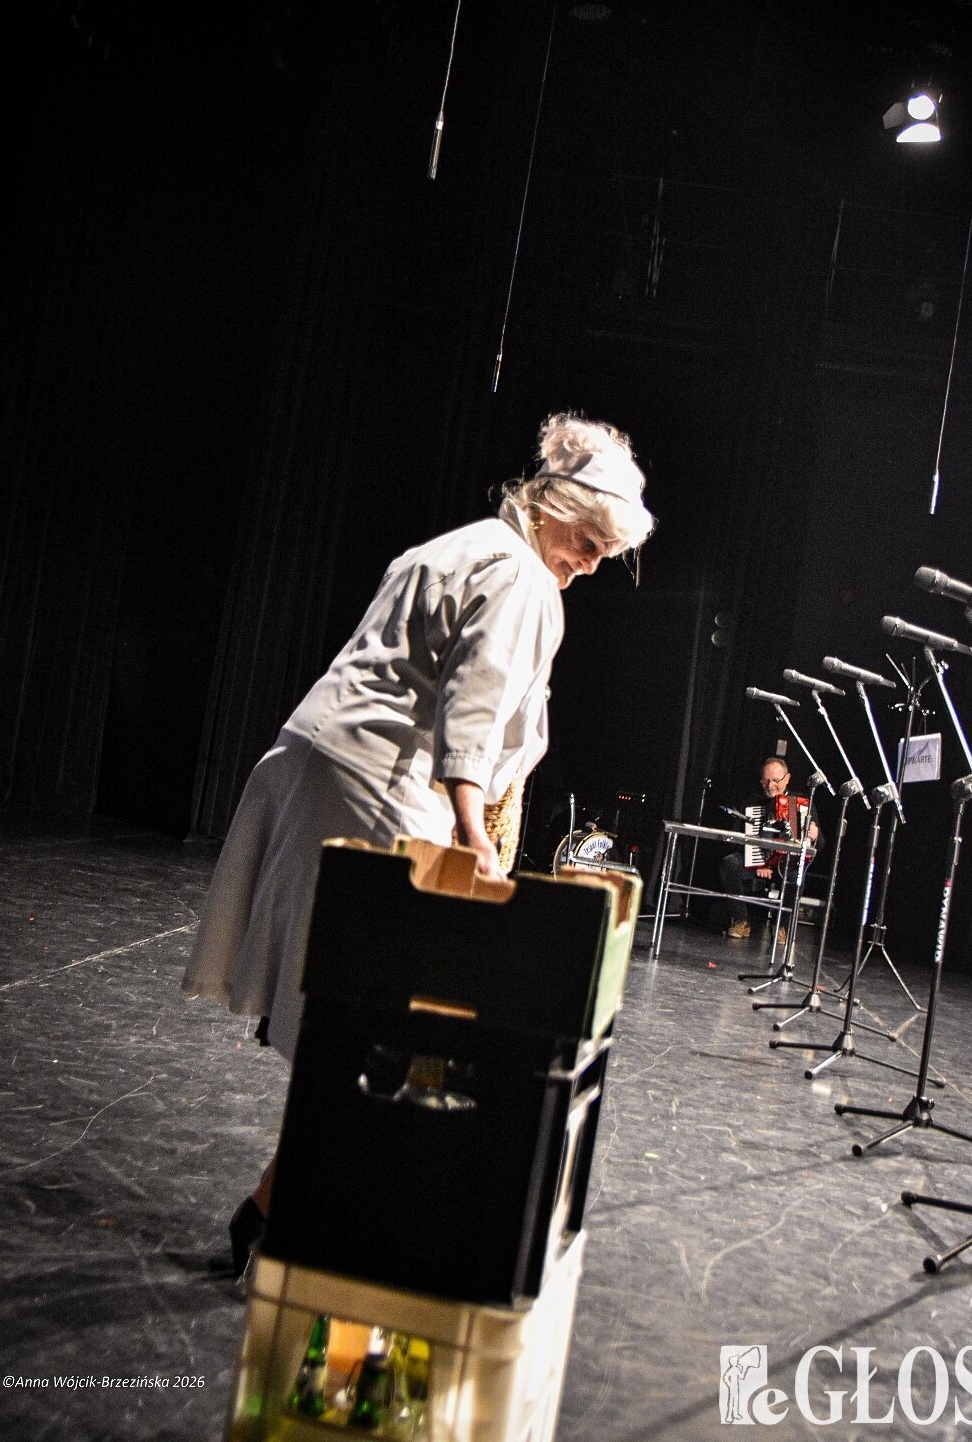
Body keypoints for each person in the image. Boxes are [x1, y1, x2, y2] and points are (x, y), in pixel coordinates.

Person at [181, 412, 656, 1274]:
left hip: (316, 761)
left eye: (603, 554)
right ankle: (292, 1217)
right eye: (587, 543)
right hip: (380, 781)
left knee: (356, 1016)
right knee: (384, 1020)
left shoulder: (459, 543)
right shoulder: (522, 576)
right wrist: (475, 832)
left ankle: (276, 1209)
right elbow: (473, 706)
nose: (589, 564)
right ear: (552, 509)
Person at [719, 756, 820, 939]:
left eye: (775, 780)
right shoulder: (751, 801)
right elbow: (735, 838)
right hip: (755, 861)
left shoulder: (803, 803)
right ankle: (741, 920)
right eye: (765, 781)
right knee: (730, 863)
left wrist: (815, 835)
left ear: (787, 778)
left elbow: (820, 845)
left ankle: (781, 925)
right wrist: (758, 861)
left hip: (786, 864)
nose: (770, 785)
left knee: (797, 876)